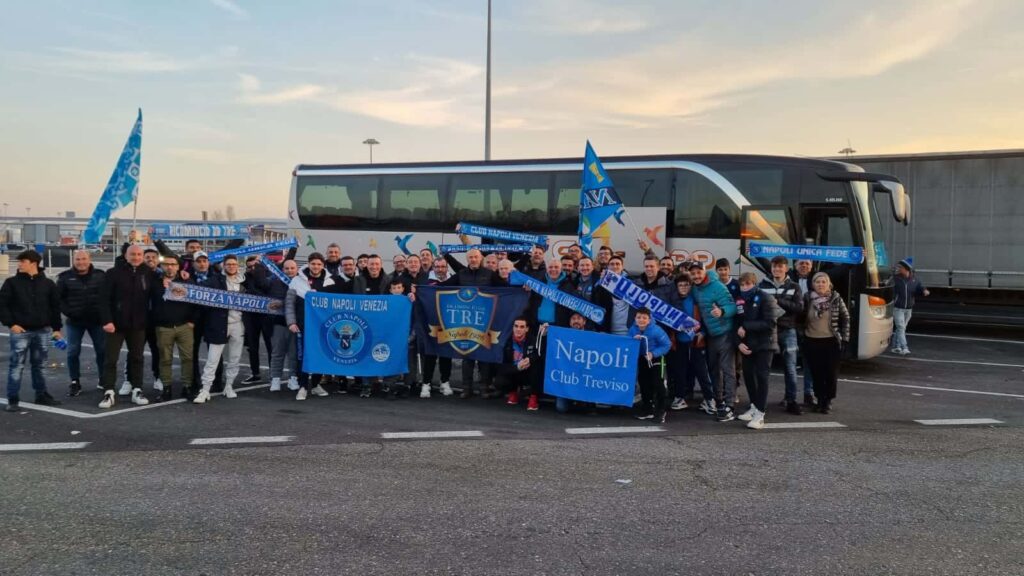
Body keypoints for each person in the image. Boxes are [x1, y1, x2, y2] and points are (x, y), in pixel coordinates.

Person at [1, 250, 63, 411]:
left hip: (43, 331)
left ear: (34, 263)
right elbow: (2, 305)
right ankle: (12, 399)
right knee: (16, 365)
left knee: (40, 365)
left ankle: (41, 395)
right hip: (21, 331)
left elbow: (55, 307)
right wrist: (11, 324)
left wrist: (57, 329)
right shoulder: (11, 283)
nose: (19, 264)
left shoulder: (48, 284)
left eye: (23, 261)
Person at [98, 245, 156, 409]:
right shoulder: (113, 273)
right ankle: (108, 392)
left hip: (138, 324)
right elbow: (103, 300)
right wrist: (107, 321)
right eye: (133, 254)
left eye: (139, 254)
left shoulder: (149, 273)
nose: (136, 257)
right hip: (115, 325)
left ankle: (137, 389)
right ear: (125, 255)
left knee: (137, 358)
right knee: (111, 359)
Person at [286, 252, 343, 400]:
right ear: (308, 264)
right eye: (313, 264)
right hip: (303, 325)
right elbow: (289, 304)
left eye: (319, 264)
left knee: (322, 355)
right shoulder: (297, 281)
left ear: (323, 265)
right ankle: (303, 386)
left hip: (324, 327)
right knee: (304, 356)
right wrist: (291, 322)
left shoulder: (330, 282)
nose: (316, 267)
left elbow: (335, 306)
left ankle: (316, 385)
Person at [192, 255, 248, 404]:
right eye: (228, 264)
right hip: (219, 324)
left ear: (238, 266)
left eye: (234, 264)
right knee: (213, 358)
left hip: (238, 324)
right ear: (223, 265)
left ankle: (229, 386)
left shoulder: (244, 281)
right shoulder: (215, 280)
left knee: (235, 358)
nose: (231, 266)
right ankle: (205, 389)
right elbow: (199, 290)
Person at [688, 260, 738, 422]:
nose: (696, 276)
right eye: (693, 273)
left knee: (727, 369)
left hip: (725, 333)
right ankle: (719, 402)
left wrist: (722, 311)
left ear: (704, 272)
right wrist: (702, 331)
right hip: (710, 334)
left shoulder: (718, 286)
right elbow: (700, 313)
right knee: (713, 369)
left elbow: (733, 306)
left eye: (698, 272)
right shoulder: (695, 289)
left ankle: (730, 405)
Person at [758, 256, 806, 415]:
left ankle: (791, 400)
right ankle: (759, 402)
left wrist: (778, 301)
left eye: (780, 267)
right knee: (764, 368)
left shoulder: (794, 286)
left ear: (786, 269)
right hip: (768, 331)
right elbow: (756, 305)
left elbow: (799, 308)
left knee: (790, 368)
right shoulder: (762, 285)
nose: (776, 269)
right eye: (774, 267)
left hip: (788, 330)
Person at [734, 272, 780, 430]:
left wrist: (746, 326)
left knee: (762, 377)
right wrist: (738, 343)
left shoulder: (766, 298)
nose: (745, 287)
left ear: (754, 283)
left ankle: (760, 413)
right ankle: (754, 406)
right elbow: (736, 322)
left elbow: (770, 323)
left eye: (748, 284)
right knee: (748, 376)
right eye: (742, 284)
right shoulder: (740, 300)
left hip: (765, 344)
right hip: (748, 345)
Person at [56, 249, 106, 396]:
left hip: (97, 321)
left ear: (89, 259)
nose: (81, 262)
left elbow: (107, 296)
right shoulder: (65, 277)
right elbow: (58, 299)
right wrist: (70, 312)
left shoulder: (100, 276)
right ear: (73, 260)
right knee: (72, 351)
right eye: (78, 259)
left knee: (102, 351)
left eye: (84, 259)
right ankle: (75, 381)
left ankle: (104, 379)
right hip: (75, 322)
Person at [801, 272, 850, 414]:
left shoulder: (836, 298)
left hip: (831, 341)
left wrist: (845, 338)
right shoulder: (807, 298)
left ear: (829, 284)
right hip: (811, 340)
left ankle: (827, 401)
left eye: (823, 282)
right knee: (816, 374)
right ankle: (819, 399)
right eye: (817, 282)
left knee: (830, 373)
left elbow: (845, 318)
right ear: (813, 284)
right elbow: (800, 317)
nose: (820, 284)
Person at [667, 272, 714, 414]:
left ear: (690, 286)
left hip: (695, 341)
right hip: (679, 341)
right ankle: (680, 397)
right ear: (676, 287)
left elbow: (706, 319)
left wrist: (703, 333)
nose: (683, 287)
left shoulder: (695, 300)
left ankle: (709, 399)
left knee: (701, 371)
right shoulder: (672, 301)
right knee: (679, 371)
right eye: (680, 285)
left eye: (686, 284)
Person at [151, 256, 196, 402]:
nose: (170, 267)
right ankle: (166, 388)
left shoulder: (187, 281)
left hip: (184, 326)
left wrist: (192, 321)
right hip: (164, 327)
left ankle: (187, 387)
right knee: (165, 359)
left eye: (173, 264)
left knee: (187, 358)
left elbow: (196, 301)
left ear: (178, 267)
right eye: (166, 264)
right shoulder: (155, 282)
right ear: (162, 266)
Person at [629, 308, 672, 423]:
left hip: (656, 358)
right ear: (635, 318)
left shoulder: (656, 330)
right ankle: (648, 409)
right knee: (644, 383)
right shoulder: (633, 330)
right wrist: (634, 341)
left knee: (658, 383)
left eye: (644, 318)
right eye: (639, 317)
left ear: (649, 319)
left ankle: (661, 410)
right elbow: (628, 344)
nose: (641, 320)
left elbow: (667, 344)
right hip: (643, 358)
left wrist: (653, 354)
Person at [419, 259, 454, 398]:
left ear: (447, 267)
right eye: (437, 266)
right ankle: (426, 383)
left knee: (447, 355)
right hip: (431, 322)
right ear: (433, 267)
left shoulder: (455, 280)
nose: (440, 269)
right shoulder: (425, 280)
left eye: (443, 266)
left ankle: (444, 382)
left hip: (449, 324)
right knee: (430, 354)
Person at [788, 258, 817, 406]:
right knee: (790, 362)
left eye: (807, 263)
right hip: (792, 324)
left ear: (811, 267)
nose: (804, 266)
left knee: (808, 361)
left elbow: (839, 270)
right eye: (801, 263)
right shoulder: (789, 277)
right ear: (795, 266)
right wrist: (753, 252)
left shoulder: (817, 279)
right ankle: (790, 396)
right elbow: (769, 265)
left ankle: (808, 393)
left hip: (809, 325)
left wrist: (855, 256)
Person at [268, 260, 300, 392]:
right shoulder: (275, 282)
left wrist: (282, 303)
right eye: (287, 268)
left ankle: (293, 378)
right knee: (277, 353)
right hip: (279, 322)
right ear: (282, 270)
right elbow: (271, 300)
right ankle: (275, 379)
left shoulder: (301, 283)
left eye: (292, 268)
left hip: (296, 323)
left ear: (297, 269)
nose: (290, 271)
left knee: (294, 353)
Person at [241, 256, 273, 384]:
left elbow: (265, 286)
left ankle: (273, 374)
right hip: (250, 316)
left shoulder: (269, 276)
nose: (252, 269)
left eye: (255, 266)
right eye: (249, 267)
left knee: (270, 346)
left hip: (266, 316)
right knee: (252, 347)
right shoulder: (243, 278)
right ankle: (255, 373)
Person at [499, 316, 541, 411]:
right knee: (499, 381)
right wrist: (517, 367)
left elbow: (539, 354)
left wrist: (529, 360)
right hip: (514, 371)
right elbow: (502, 365)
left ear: (527, 329)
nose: (518, 329)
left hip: (528, 371)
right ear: (513, 327)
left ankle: (533, 397)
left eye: (522, 327)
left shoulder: (533, 340)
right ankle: (513, 392)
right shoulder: (506, 341)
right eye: (516, 326)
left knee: (537, 367)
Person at [385, 277, 417, 400]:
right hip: (392, 339)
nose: (397, 290)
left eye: (399, 287)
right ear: (390, 290)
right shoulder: (386, 303)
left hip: (408, 338)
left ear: (403, 288)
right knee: (392, 361)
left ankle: (408, 386)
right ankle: (390, 387)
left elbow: (415, 321)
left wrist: (411, 337)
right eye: (394, 288)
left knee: (409, 363)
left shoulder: (409, 301)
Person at [892, 257, 929, 355]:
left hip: (909, 309)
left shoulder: (914, 279)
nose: (899, 268)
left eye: (901, 267)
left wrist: (924, 291)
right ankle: (904, 347)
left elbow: (920, 287)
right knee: (901, 327)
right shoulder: (896, 278)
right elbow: (889, 287)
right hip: (898, 308)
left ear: (906, 269)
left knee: (902, 328)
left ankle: (896, 346)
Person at [592, 256, 632, 335]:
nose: (615, 266)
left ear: (622, 267)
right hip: (607, 330)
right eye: (612, 264)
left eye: (618, 264)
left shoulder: (631, 284)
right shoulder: (601, 285)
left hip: (627, 330)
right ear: (608, 267)